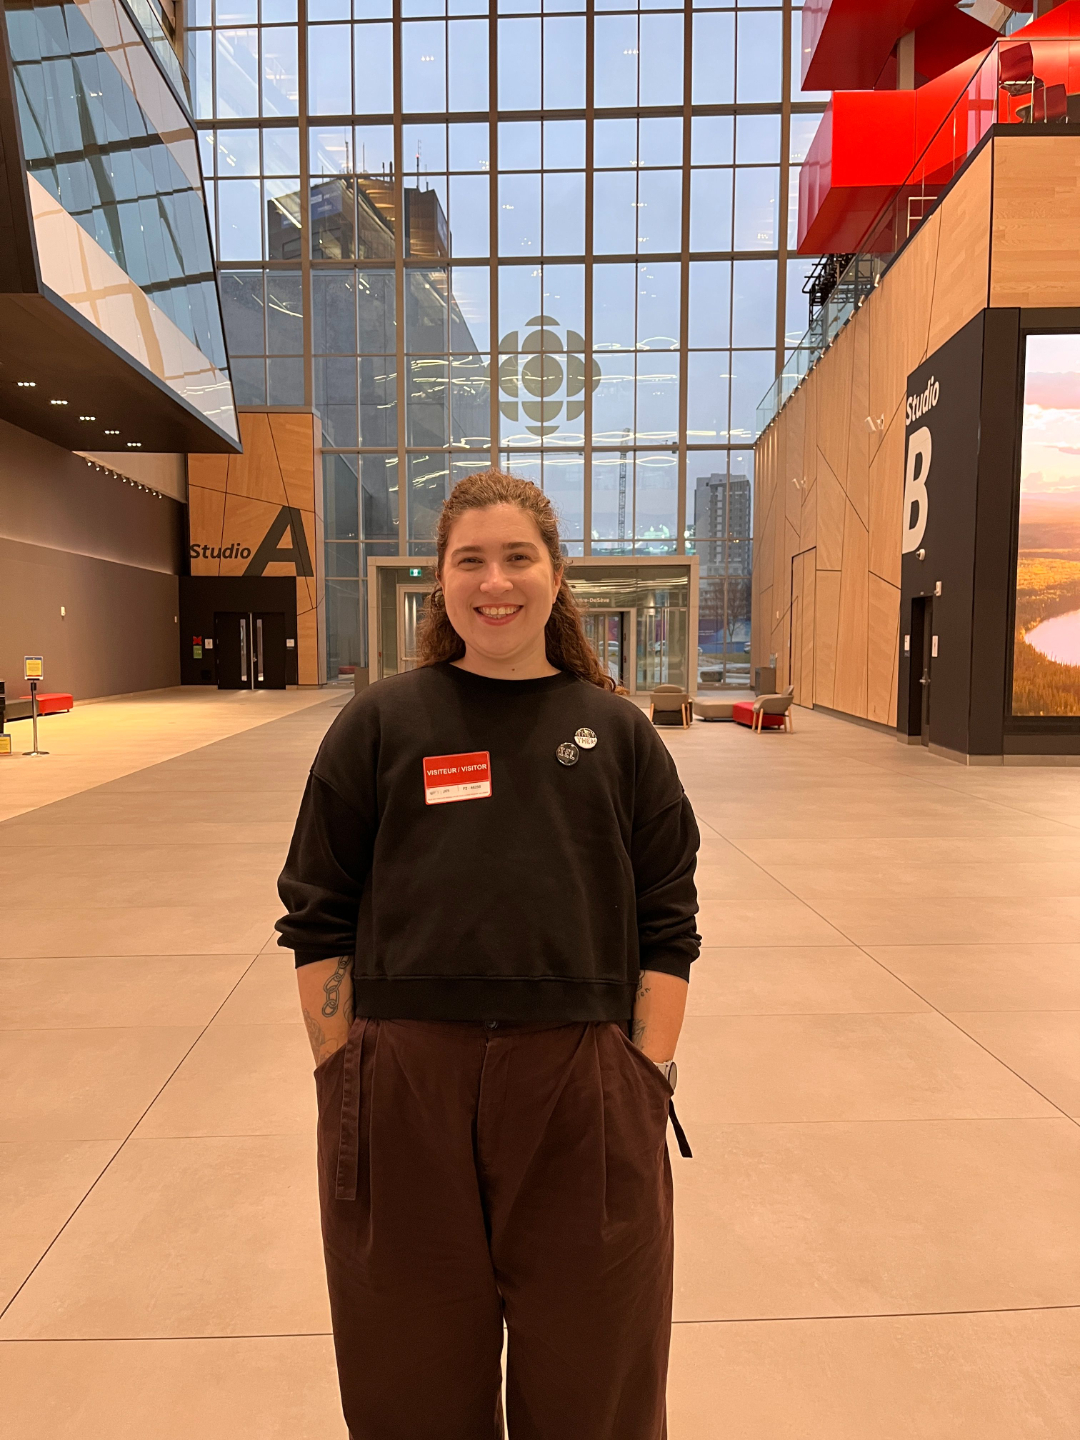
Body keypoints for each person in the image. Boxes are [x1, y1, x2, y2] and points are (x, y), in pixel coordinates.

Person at [276, 469, 700, 1440]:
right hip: (402, 1084)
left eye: (518, 557)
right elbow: (316, 912)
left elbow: (669, 921)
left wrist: (644, 1073)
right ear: (441, 580)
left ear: (556, 578)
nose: (495, 581)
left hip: (583, 1084)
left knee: (595, 1385)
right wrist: (344, 1072)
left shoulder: (620, 735)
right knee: (409, 1376)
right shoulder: (381, 724)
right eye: (471, 559)